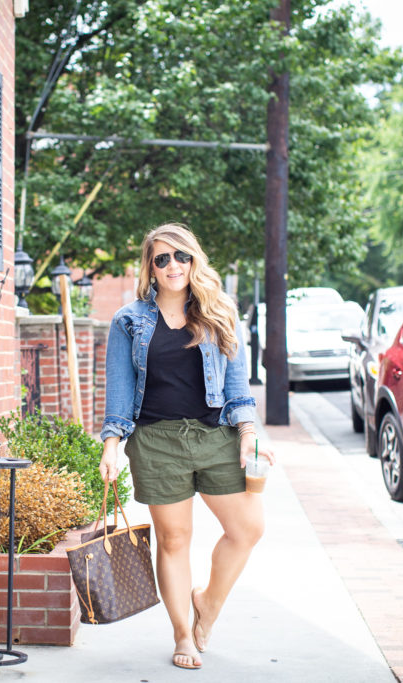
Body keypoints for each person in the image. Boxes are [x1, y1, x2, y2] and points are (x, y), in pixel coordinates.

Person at [99, 223, 276, 670]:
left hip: (215, 435)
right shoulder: (129, 321)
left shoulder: (219, 311)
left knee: (248, 528)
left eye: (181, 256)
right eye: (162, 259)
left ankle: (208, 603)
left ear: (194, 260)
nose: (173, 265)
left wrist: (248, 436)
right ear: (150, 267)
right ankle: (183, 633)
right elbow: (119, 393)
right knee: (175, 540)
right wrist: (111, 445)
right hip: (157, 442)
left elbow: (238, 387)